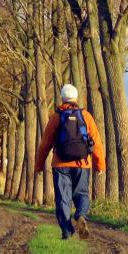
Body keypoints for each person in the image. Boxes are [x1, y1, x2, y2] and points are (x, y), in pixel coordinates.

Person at [35, 84, 105, 240]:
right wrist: (99, 164)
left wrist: (39, 165)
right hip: (82, 163)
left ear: (62, 98)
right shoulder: (85, 116)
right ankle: (80, 215)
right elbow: (96, 142)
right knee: (81, 194)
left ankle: (67, 232)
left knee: (63, 199)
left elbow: (45, 143)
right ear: (76, 98)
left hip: (60, 165)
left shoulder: (56, 117)